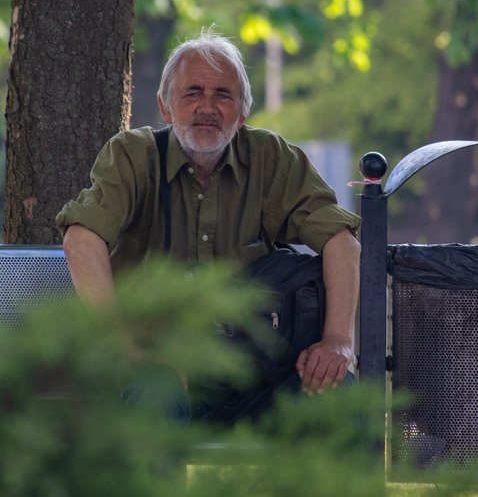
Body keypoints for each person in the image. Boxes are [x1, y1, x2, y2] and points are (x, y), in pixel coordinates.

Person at [57, 30, 362, 410]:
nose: (207, 106)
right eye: (193, 92)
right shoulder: (133, 157)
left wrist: (337, 342)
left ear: (242, 113)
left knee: (341, 393)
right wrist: (126, 352)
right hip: (161, 371)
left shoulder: (270, 158)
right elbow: (81, 239)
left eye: (223, 95)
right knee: (154, 393)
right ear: (165, 106)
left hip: (257, 378)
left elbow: (341, 240)